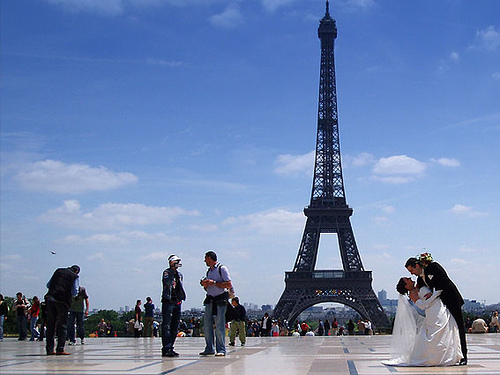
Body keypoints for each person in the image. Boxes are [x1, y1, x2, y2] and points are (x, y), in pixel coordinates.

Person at [383, 277, 463, 367]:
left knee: (442, 332)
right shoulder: (412, 294)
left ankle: (441, 356)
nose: (410, 278)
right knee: (438, 333)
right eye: (407, 279)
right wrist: (434, 295)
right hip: (432, 311)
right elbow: (422, 305)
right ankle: (440, 356)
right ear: (406, 285)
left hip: (438, 308)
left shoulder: (418, 285)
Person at [406, 253, 468, 365]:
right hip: (439, 305)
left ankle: (464, 355)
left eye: (411, 270)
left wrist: (434, 293)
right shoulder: (420, 280)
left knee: (459, 326)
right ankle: (452, 354)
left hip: (451, 299)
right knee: (451, 328)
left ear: (417, 265)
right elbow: (418, 291)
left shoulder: (434, 267)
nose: (411, 273)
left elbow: (443, 281)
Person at [199, 250, 232, 357]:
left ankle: (221, 348)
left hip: (220, 301)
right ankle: (209, 347)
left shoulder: (221, 269)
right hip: (210, 300)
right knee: (207, 326)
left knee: (219, 325)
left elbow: (228, 284)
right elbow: (210, 288)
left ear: (210, 258)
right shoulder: (209, 271)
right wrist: (205, 285)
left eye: (206, 258)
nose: (204, 261)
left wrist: (213, 283)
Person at [45, 264, 80, 355]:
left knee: (50, 325)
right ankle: (60, 349)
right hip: (62, 302)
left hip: (50, 299)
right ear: (76, 271)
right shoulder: (74, 276)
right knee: (62, 325)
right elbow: (75, 291)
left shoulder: (58, 271)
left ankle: (49, 349)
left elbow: (48, 285)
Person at [161, 254, 186, 357]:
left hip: (177, 301)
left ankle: (170, 346)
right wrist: (172, 272)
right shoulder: (167, 273)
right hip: (168, 301)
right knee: (166, 325)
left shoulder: (179, 275)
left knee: (175, 326)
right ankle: (166, 347)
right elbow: (168, 283)